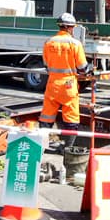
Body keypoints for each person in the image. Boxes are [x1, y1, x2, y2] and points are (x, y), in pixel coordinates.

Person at [38, 12, 89, 152]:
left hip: (52, 84)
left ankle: (41, 146)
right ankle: (67, 148)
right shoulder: (75, 43)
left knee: (47, 116)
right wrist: (87, 71)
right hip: (68, 86)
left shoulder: (49, 42)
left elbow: (46, 65)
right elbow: (83, 67)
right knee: (71, 118)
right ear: (70, 27)